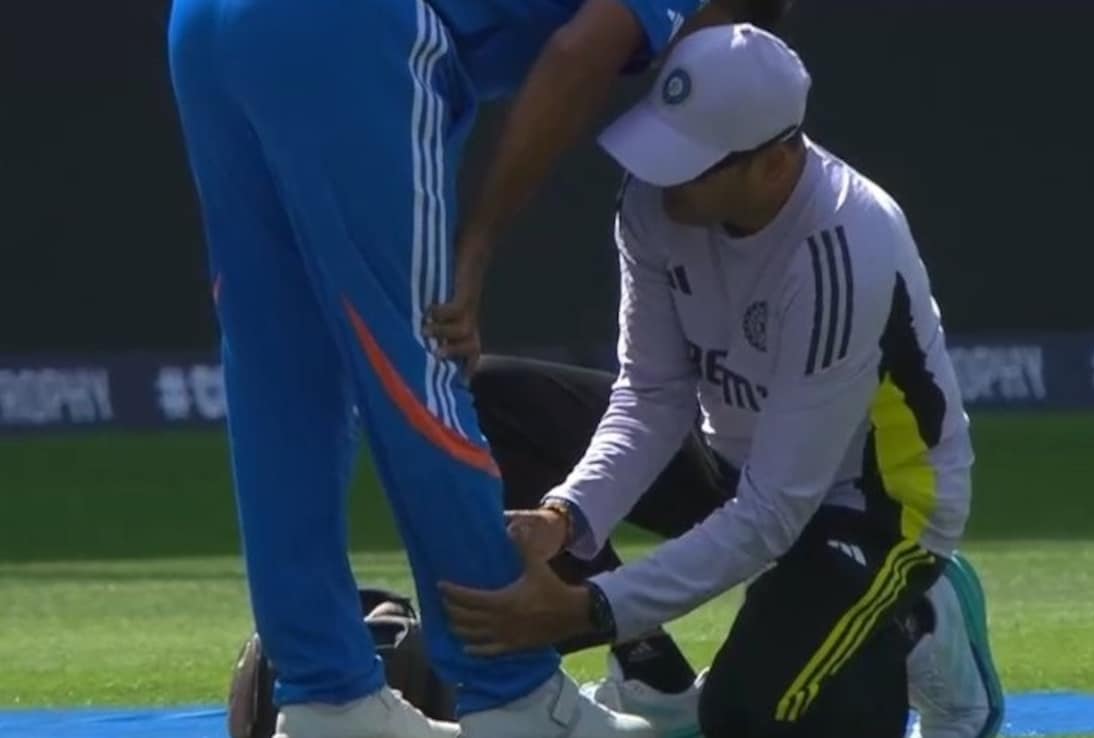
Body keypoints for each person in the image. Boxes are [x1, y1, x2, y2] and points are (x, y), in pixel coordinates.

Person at [166, 0, 791, 735]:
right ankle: (513, 697)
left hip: (205, 25)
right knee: (425, 363)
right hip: (349, 27)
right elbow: (579, 54)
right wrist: (479, 245)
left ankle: (326, 700)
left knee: (281, 379)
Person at [438, 24, 1003, 738]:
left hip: (872, 507)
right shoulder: (653, 204)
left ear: (774, 164)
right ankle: (655, 679)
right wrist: (565, 518)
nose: (661, 176)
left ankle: (915, 611)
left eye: (691, 162)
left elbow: (776, 512)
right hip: (732, 464)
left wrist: (592, 607)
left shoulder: (844, 248)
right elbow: (651, 396)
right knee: (501, 400)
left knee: (751, 716)